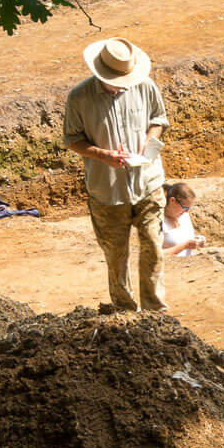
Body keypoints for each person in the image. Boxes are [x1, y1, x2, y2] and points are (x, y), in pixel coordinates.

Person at [63, 37, 169, 312]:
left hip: (148, 183)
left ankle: (155, 312)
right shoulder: (79, 97)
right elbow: (72, 139)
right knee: (116, 255)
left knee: (154, 247)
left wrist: (149, 139)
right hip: (107, 190)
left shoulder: (144, 85)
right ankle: (125, 313)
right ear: (101, 74)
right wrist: (103, 155)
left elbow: (159, 119)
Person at [162, 182, 206, 257]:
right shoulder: (158, 222)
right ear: (172, 201)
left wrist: (197, 241)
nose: (187, 211)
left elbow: (185, 239)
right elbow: (155, 255)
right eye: (185, 208)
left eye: (190, 208)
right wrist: (185, 246)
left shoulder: (184, 216)